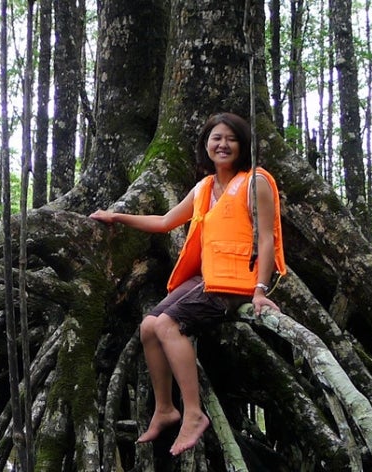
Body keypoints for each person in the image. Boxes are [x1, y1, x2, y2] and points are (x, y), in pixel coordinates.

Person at [89, 112, 286, 456]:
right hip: (208, 278)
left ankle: (194, 414)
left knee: (168, 324)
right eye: (216, 138)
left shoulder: (255, 182)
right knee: (149, 325)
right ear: (206, 145)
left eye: (231, 139)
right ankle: (166, 409)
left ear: (242, 145)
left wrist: (260, 290)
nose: (223, 145)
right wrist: (116, 216)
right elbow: (166, 221)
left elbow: (267, 238)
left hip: (236, 281)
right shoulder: (205, 188)